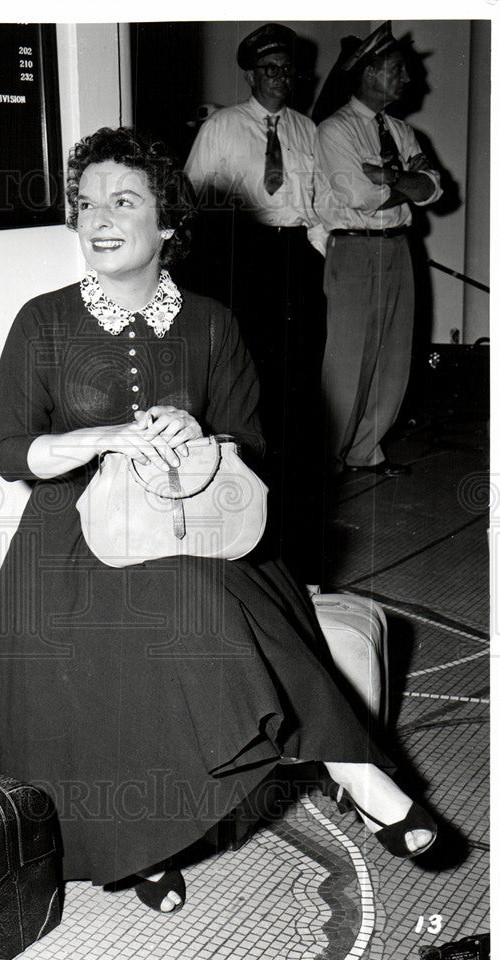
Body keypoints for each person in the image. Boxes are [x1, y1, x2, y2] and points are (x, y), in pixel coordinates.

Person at [0, 126, 436, 915]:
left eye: (123, 201)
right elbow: (11, 453)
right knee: (169, 610)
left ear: (169, 226)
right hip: (71, 535)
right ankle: (153, 840)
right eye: (86, 204)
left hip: (194, 521)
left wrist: (202, 442)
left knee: (210, 592)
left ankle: (353, 771)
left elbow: (251, 446)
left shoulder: (212, 323)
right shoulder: (42, 322)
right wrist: (98, 438)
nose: (98, 219)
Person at [184, 23, 327, 583]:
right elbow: (192, 197)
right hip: (242, 257)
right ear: (250, 74)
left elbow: (317, 203)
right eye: (270, 69)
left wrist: (321, 256)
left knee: (299, 383)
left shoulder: (307, 129)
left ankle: (293, 500)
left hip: (296, 256)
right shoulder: (222, 126)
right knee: (250, 377)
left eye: (289, 69)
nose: (281, 78)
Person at [313, 22, 442, 476]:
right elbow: (361, 199)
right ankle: (327, 460)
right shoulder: (336, 132)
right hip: (354, 249)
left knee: (393, 357)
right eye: (397, 70)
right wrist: (407, 182)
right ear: (369, 73)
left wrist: (387, 177)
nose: (407, 79)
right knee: (348, 361)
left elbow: (433, 191)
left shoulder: (402, 132)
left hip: (398, 247)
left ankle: (364, 451)